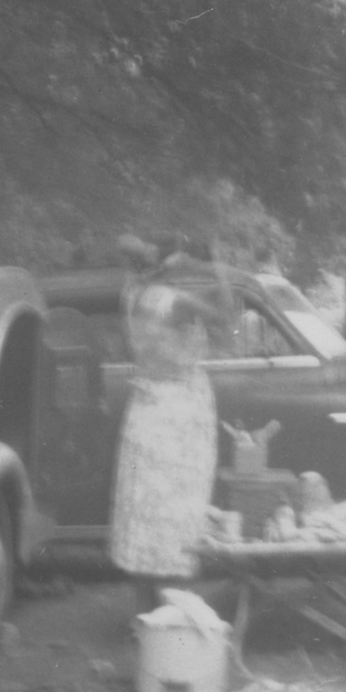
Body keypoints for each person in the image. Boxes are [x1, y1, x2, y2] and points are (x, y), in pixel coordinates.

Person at [109, 238, 230, 614]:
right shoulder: (174, 301)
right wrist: (217, 266)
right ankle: (174, 613)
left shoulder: (132, 295)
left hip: (145, 409)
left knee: (142, 513)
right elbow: (226, 315)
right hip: (180, 414)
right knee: (179, 515)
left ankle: (145, 614)